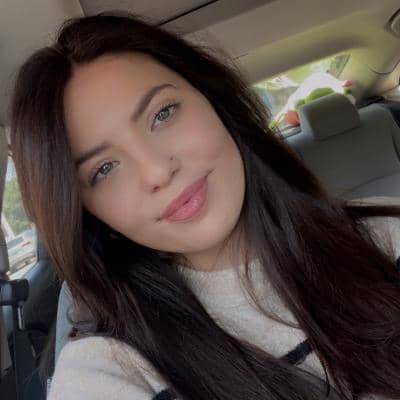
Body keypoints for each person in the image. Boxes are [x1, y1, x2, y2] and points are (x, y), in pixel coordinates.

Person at [9, 12, 400, 400]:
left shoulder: (384, 235)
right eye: (104, 169)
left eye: (162, 114)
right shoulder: (111, 367)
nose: (157, 171)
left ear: (213, 99)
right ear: (89, 213)